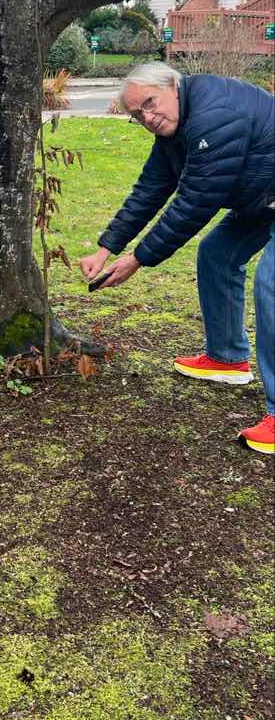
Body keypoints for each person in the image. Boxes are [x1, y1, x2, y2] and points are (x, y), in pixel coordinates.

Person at [79, 61, 275, 456]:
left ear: (172, 84)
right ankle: (227, 357)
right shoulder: (176, 126)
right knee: (217, 254)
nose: (148, 118)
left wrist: (137, 259)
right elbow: (151, 187)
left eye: (150, 104)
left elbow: (194, 204)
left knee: (270, 285)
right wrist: (106, 247)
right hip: (262, 197)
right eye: (138, 115)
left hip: (265, 195)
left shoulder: (214, 115)